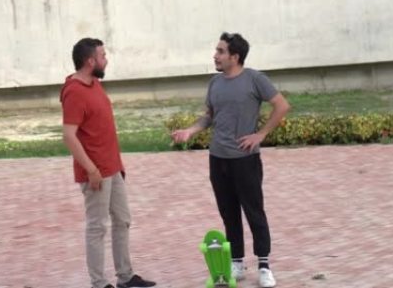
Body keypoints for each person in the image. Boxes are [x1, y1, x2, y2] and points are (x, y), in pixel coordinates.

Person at [171, 32, 290, 288]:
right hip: (218, 159)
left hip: (245, 160)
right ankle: (236, 261)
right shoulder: (215, 83)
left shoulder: (254, 79)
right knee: (229, 213)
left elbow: (282, 106)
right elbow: (209, 116)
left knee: (254, 212)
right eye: (216, 51)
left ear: (234, 57)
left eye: (220, 51)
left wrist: (261, 134)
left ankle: (264, 266)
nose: (215, 55)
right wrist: (190, 130)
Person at [61, 38, 156, 288]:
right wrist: (91, 170)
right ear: (90, 61)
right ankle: (99, 283)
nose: (106, 59)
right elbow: (69, 135)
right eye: (103, 56)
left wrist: (117, 166)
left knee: (122, 220)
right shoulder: (74, 91)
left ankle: (125, 277)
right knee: (97, 227)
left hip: (112, 168)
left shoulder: (94, 85)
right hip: (95, 173)